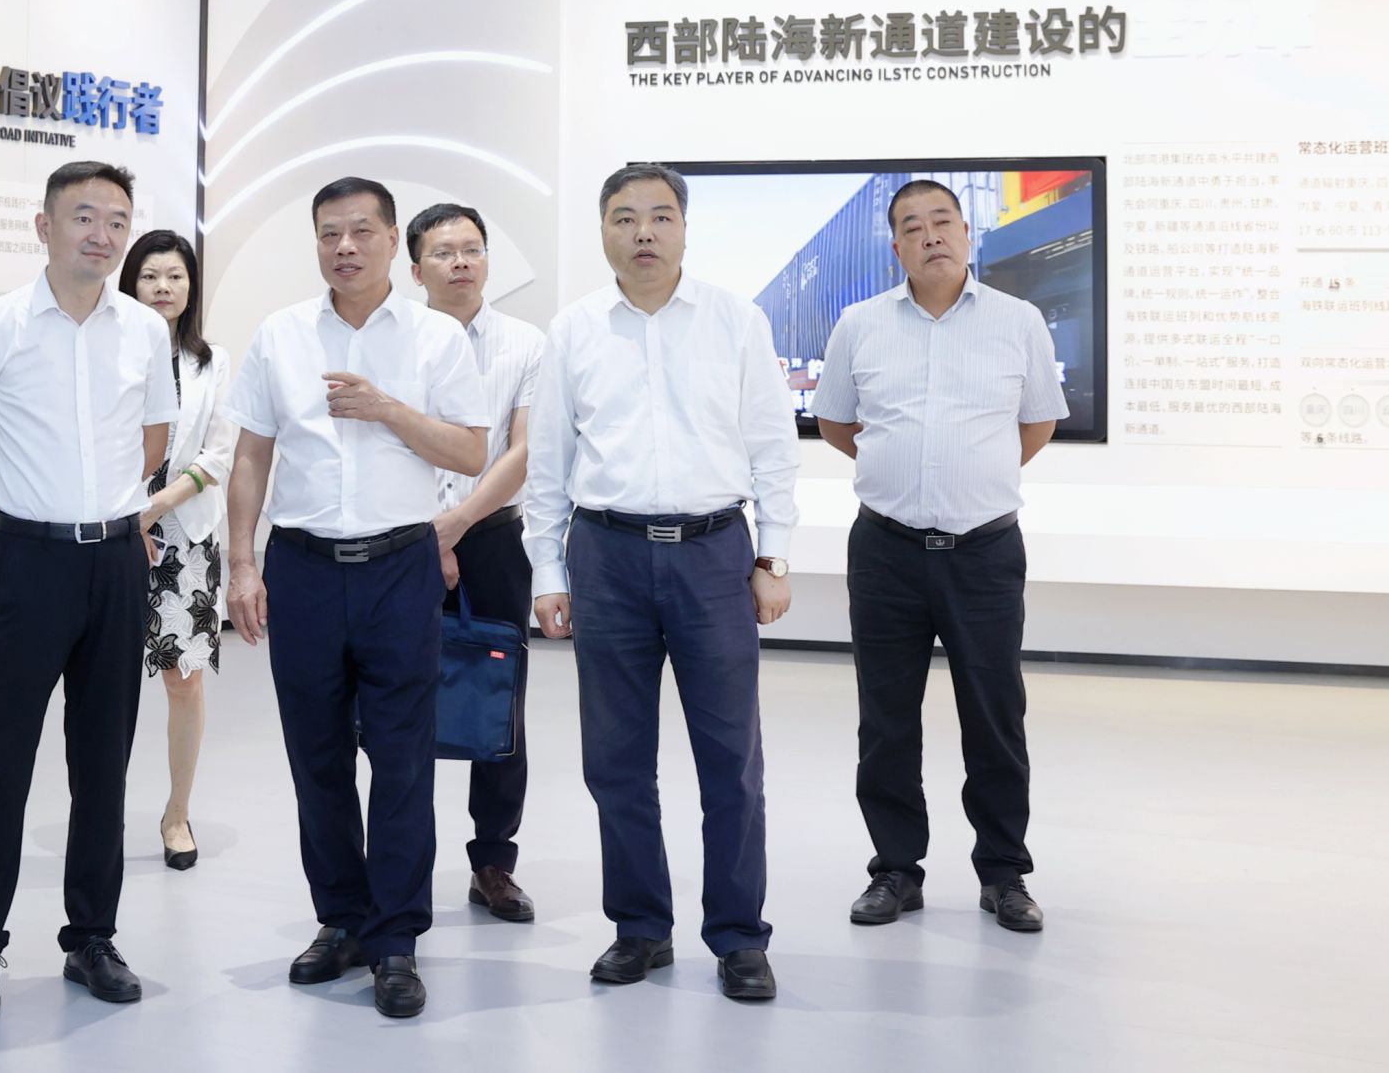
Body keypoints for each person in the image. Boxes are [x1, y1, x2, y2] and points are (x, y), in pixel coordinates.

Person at [524, 163, 799, 1003]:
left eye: (659, 216)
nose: (643, 231)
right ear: (603, 230)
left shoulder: (735, 320)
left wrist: (774, 557)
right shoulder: (573, 330)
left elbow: (771, 444)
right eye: (624, 217)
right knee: (615, 760)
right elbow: (549, 461)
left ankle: (739, 936)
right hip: (606, 554)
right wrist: (548, 570)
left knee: (731, 759)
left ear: (683, 227)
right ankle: (640, 927)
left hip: (715, 555)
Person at [221, 177, 489, 1019]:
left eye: (362, 231)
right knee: (318, 755)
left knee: (404, 759)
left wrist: (388, 410)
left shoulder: (436, 338)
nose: (345, 247)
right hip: (301, 566)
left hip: (399, 565)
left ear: (391, 240)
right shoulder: (280, 335)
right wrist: (242, 563)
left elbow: (471, 451)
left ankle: (396, 940)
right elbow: (251, 455)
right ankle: (341, 919)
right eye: (329, 233)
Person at [0, 161, 178, 1017]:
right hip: (27, 560)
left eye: (116, 220)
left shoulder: (144, 330)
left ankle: (92, 939)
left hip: (116, 561)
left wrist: (102, 508)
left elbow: (154, 438)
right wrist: (11, 522)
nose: (101, 234)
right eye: (83, 216)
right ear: (45, 226)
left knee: (103, 761)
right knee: (1, 760)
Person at [812, 178, 1067, 934]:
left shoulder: (1018, 321)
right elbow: (835, 423)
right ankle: (895, 870)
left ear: (966, 232)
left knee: (994, 717)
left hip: (984, 551)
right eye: (913, 226)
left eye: (943, 221)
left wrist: (971, 479)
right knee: (886, 719)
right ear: (896, 246)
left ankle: (1005, 874)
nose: (931, 236)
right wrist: (901, 472)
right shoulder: (859, 324)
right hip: (885, 550)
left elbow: (1037, 424)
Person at [405, 202, 544, 923]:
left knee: (498, 701)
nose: (461, 262)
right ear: (415, 268)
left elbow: (524, 450)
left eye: (472, 248)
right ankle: (400, 865)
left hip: (491, 539)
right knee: (397, 703)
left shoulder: (526, 343)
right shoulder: (394, 341)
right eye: (443, 251)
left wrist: (455, 527)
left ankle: (493, 861)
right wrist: (429, 534)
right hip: (401, 539)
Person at [123, 228, 236, 871]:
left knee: (182, 680)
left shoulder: (212, 362)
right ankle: (100, 811)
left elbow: (219, 453)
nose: (162, 287)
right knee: (105, 683)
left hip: (184, 534)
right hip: (112, 531)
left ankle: (176, 814)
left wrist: (155, 508)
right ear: (130, 284)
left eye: (174, 276)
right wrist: (128, 515)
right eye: (149, 276)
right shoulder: (109, 353)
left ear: (191, 287)